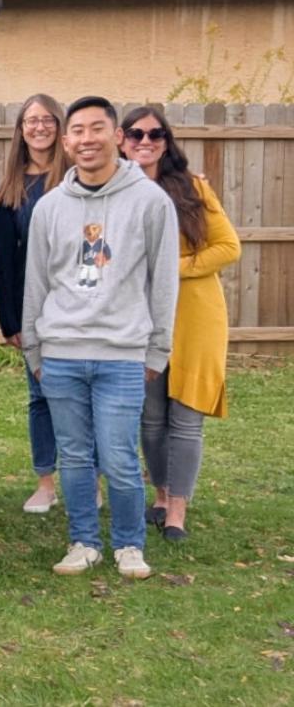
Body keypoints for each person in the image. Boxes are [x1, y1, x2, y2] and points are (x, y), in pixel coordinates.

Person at [22, 95, 179, 580]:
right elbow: (37, 282)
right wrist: (34, 347)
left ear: (116, 137)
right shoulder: (49, 207)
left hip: (122, 354)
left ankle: (129, 545)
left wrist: (157, 348)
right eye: (77, 132)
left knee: (118, 455)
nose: (86, 139)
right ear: (66, 143)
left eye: (97, 129)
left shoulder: (151, 202)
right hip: (62, 353)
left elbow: (163, 279)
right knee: (74, 455)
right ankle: (83, 541)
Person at [119, 106, 240, 541]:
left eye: (155, 134)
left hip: (195, 317)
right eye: (135, 133)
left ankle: (177, 512)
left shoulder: (191, 189)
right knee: (150, 417)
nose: (144, 141)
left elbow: (228, 247)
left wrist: (176, 267)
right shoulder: (115, 191)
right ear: (121, 139)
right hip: (140, 318)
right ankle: (161, 492)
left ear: (166, 142)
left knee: (185, 417)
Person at [0, 95, 70, 514]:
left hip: (77, 305)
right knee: (40, 396)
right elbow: (4, 260)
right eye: (30, 121)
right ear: (20, 129)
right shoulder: (12, 186)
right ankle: (46, 482)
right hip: (32, 307)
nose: (38, 128)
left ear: (59, 126)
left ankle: (88, 479)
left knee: (80, 397)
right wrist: (10, 319)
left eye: (47, 120)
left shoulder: (77, 179)